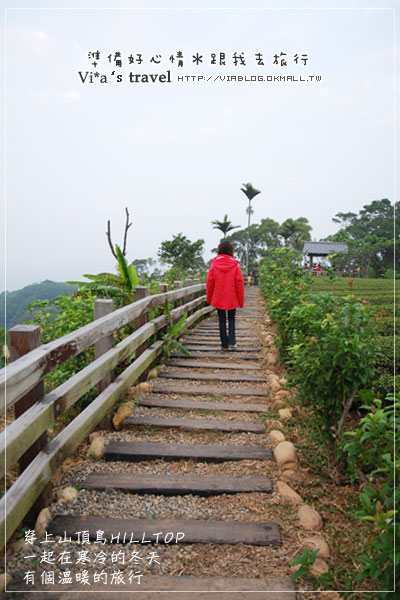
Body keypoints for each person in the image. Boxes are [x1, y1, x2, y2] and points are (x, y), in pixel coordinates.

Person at [206, 241, 244, 351]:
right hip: (232, 297)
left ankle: (224, 344)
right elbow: (239, 283)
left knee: (221, 320)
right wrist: (240, 300)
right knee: (231, 319)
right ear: (231, 250)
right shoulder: (235, 266)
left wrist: (209, 298)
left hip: (218, 297)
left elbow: (210, 282)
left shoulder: (214, 265)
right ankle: (232, 341)